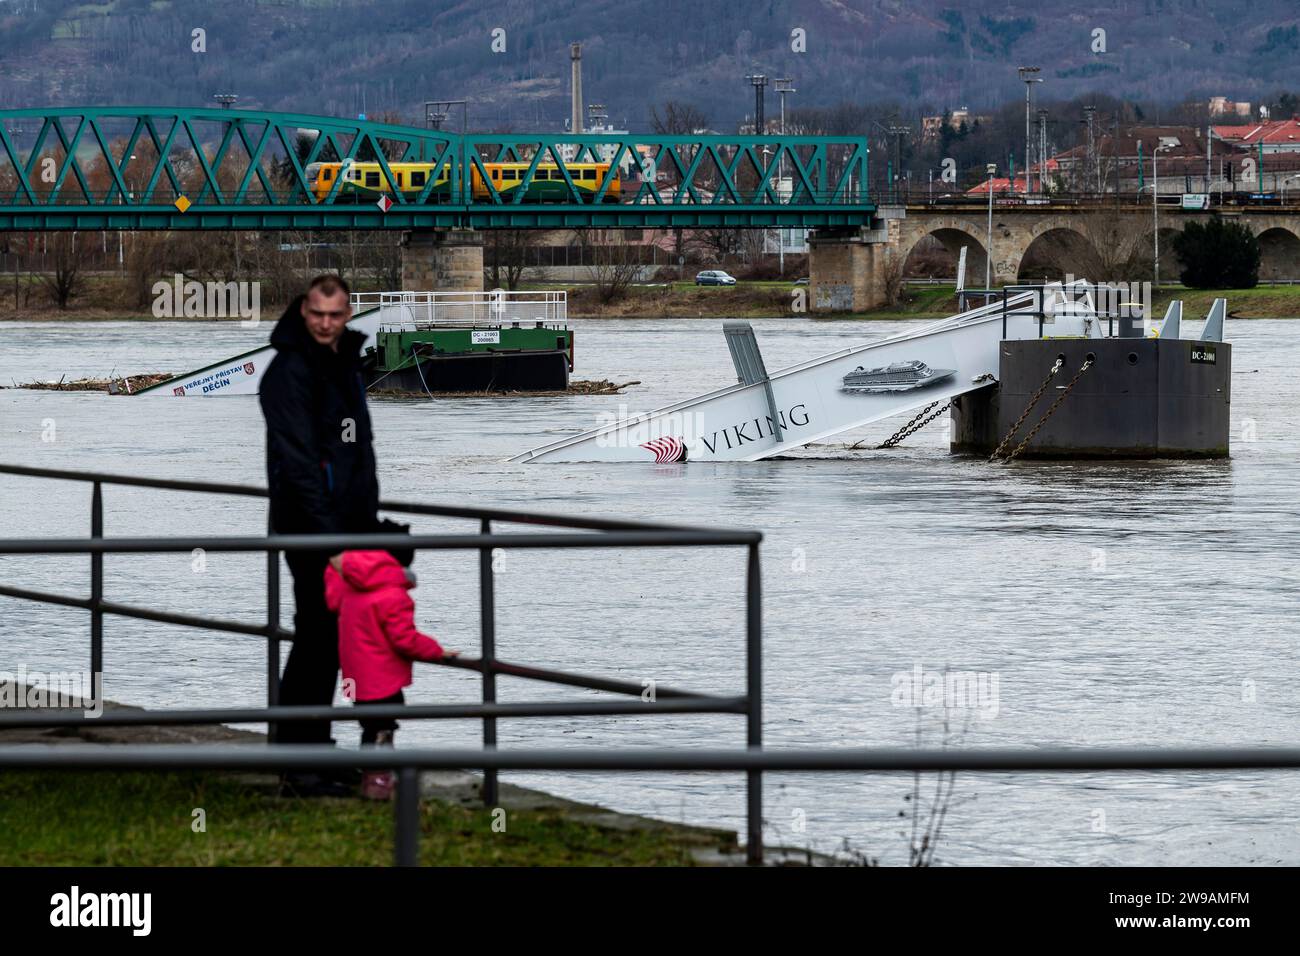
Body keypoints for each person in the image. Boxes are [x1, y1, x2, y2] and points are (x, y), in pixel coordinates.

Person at [260, 274, 378, 796]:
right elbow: (300, 465)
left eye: (335, 315)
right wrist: (329, 541)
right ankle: (297, 764)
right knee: (314, 640)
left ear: (348, 313)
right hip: (309, 529)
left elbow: (357, 451)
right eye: (317, 315)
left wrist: (370, 523)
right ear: (303, 312)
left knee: (329, 642)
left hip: (344, 527)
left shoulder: (344, 362)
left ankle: (315, 751)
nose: (326, 324)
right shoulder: (289, 372)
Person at [325, 547, 457, 799]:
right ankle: (378, 782)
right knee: (383, 728)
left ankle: (372, 776)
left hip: (353, 677)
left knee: (369, 725)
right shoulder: (393, 596)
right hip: (381, 679)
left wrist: (341, 564)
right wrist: (436, 651)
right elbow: (404, 639)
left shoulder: (350, 590)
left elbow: (332, 593)